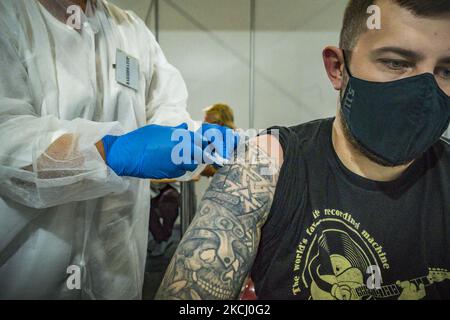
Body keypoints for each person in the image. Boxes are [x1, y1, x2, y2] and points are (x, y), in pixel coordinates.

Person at [157, 0, 450, 300]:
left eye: (447, 71)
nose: (425, 93)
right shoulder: (270, 164)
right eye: (396, 63)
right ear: (338, 68)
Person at [0, 0, 234, 299]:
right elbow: (7, 138)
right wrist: (110, 152)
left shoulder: (131, 30)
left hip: (117, 271)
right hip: (25, 273)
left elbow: (165, 108)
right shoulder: (10, 16)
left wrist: (188, 138)